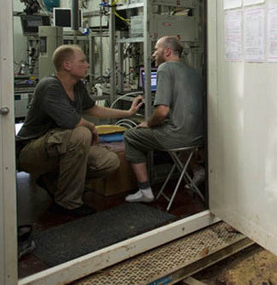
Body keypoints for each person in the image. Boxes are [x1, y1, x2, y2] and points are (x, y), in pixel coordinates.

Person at [16, 45, 143, 217]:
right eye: (82, 61)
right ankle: (68, 203)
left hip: (59, 146)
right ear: (67, 65)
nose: (88, 65)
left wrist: (127, 113)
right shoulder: (49, 86)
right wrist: (92, 128)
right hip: (31, 151)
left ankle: (54, 182)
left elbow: (93, 109)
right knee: (82, 134)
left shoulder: (77, 86)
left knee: (109, 161)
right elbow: (73, 122)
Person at [124, 36, 204, 203]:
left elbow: (161, 111)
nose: (153, 54)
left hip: (178, 137)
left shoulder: (165, 69)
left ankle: (145, 190)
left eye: (156, 49)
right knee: (175, 134)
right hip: (198, 136)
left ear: (167, 51)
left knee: (131, 136)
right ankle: (197, 169)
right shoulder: (193, 71)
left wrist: (147, 123)